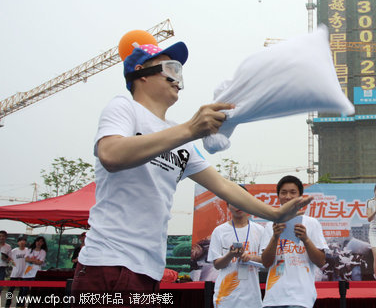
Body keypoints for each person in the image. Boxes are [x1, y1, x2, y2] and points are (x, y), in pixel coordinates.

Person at [71, 40, 313, 302]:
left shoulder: (178, 137)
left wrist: (275, 213)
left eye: (179, 72)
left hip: (148, 270)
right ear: (140, 74)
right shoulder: (124, 108)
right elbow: (111, 154)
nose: (177, 78)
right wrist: (190, 129)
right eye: (169, 68)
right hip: (107, 263)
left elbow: (224, 186)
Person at [260, 175, 327, 308]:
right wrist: (274, 237)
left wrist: (306, 240)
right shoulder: (270, 226)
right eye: (283, 192)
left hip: (301, 298)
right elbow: (266, 263)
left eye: (293, 192)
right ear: (278, 196)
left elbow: (320, 261)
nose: (288, 197)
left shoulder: (311, 223)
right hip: (273, 298)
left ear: (300, 196)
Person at [207, 186, 264, 308]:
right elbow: (217, 264)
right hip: (226, 296)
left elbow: (266, 261)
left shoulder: (259, 230)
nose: (238, 205)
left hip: (252, 296)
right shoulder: (219, 231)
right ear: (228, 205)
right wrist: (230, 255)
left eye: (241, 200)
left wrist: (250, 257)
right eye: (234, 201)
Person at [4, 235, 28, 308]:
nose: (22, 242)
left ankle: (20, 304)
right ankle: (7, 304)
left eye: (24, 240)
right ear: (18, 242)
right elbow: (9, 259)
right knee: (11, 290)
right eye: (20, 241)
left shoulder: (28, 250)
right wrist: (12, 264)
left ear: (25, 242)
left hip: (24, 274)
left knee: (23, 290)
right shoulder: (14, 251)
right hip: (15, 273)